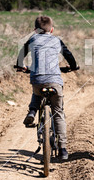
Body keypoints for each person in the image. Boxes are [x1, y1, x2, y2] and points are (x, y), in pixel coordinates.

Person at [16, 15, 79, 160]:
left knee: (37, 93)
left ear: (35, 30)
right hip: (55, 81)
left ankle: (32, 111)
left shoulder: (32, 39)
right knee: (58, 112)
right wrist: (73, 67)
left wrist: (21, 66)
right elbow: (68, 55)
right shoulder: (57, 40)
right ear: (52, 29)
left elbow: (21, 55)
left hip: (37, 79)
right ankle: (63, 149)